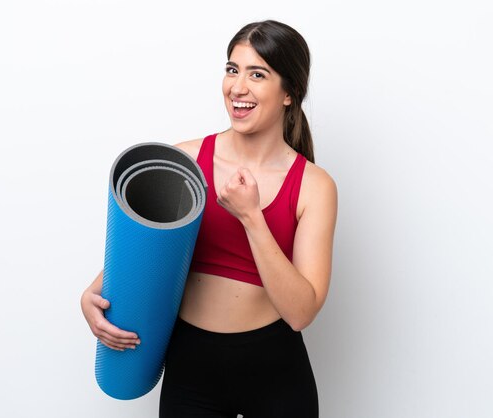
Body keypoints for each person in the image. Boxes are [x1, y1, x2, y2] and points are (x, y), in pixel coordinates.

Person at [81, 19, 337, 418]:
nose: (238, 87)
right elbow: (133, 264)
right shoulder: (187, 162)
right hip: (191, 366)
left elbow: (301, 312)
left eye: (258, 74)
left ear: (289, 93)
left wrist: (252, 217)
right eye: (232, 70)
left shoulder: (314, 186)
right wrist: (90, 300)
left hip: (274, 369)